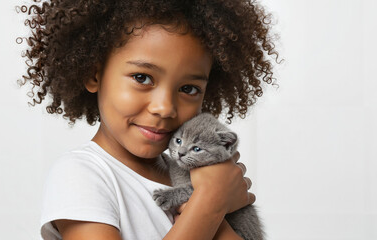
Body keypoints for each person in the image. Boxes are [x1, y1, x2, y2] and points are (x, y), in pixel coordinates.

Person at [17, 0, 280, 239]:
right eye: (142, 78)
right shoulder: (82, 174)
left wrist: (213, 199)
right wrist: (210, 201)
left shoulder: (191, 173)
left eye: (188, 89)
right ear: (93, 74)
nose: (165, 108)